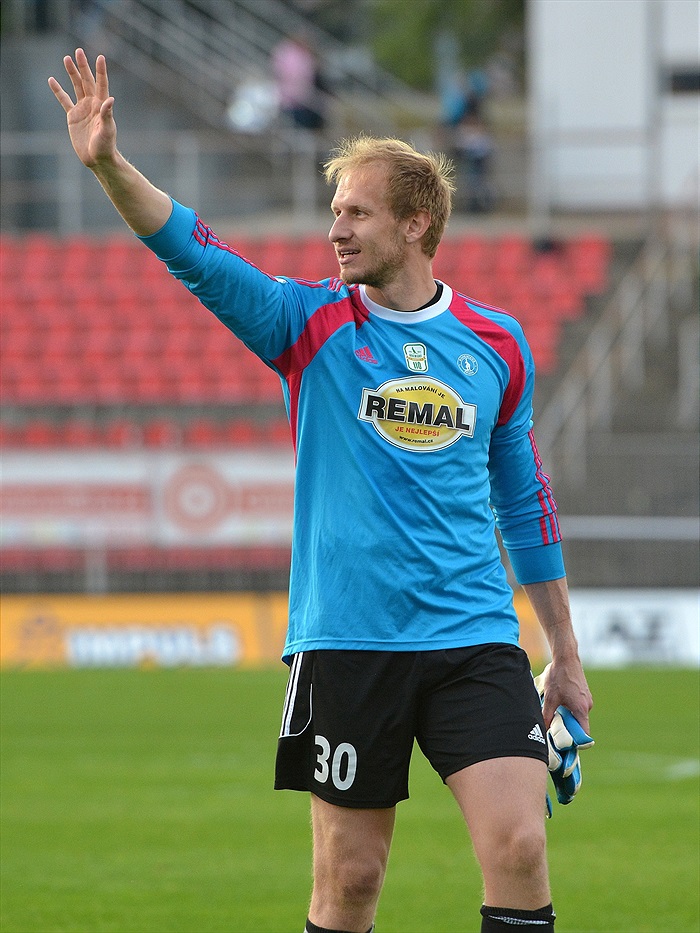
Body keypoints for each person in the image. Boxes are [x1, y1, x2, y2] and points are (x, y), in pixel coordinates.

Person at [49, 50, 593, 933]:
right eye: (333, 212)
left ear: (418, 224)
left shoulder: (500, 344)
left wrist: (563, 651)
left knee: (521, 850)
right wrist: (109, 163)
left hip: (476, 639)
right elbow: (194, 250)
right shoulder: (307, 324)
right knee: (350, 881)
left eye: (356, 213)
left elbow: (524, 502)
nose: (335, 230)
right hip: (346, 639)